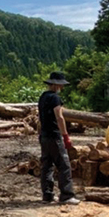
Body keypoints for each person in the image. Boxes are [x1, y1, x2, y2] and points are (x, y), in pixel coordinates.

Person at [38, 72, 79, 205]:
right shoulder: (55, 98)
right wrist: (65, 136)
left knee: (47, 165)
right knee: (64, 165)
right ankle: (66, 195)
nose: (62, 87)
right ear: (56, 84)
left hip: (44, 135)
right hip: (54, 135)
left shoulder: (43, 97)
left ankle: (47, 195)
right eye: (60, 84)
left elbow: (40, 118)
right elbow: (59, 117)